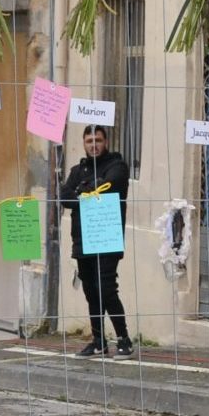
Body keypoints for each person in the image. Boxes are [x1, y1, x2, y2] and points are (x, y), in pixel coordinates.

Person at [60, 125, 133, 358]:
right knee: (91, 291)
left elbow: (108, 187)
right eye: (89, 141)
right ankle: (99, 341)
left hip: (106, 237)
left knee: (107, 289)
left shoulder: (117, 166)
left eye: (98, 140)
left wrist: (80, 191)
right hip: (82, 240)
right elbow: (64, 197)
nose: (94, 145)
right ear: (83, 143)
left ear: (106, 142)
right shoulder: (77, 169)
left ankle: (124, 339)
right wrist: (86, 192)